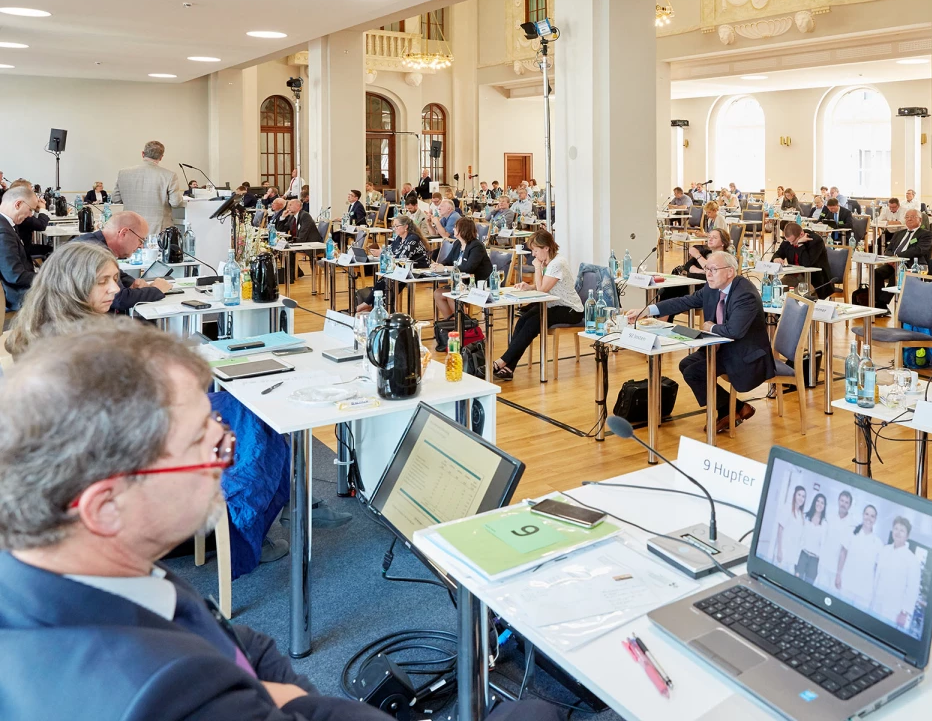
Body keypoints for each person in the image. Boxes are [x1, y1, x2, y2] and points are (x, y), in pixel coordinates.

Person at [0, 323, 558, 721]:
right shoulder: (156, 692)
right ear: (104, 506)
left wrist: (279, 698)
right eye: (203, 441)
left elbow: (237, 643)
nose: (229, 446)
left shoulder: (68, 570)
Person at [626, 251, 776, 432]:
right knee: (686, 364)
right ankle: (733, 408)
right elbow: (684, 301)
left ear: (730, 272)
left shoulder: (745, 294)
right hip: (723, 347)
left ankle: (729, 410)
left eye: (713, 269)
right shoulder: (712, 288)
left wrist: (710, 327)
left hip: (744, 354)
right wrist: (647, 310)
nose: (709, 274)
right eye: (707, 269)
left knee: (694, 372)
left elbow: (735, 331)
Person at [491, 230, 583, 382]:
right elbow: (545, 286)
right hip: (554, 305)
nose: (533, 254)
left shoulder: (557, 263)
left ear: (546, 247)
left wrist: (537, 268)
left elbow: (542, 290)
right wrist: (529, 287)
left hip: (571, 310)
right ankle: (509, 368)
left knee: (533, 323)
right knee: (523, 320)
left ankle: (502, 362)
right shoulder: (551, 261)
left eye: (535, 250)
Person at [3, 241, 119, 357]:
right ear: (70, 286)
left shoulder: (36, 323)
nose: (116, 288)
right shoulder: (83, 346)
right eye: (102, 281)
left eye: (115, 279)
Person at [75, 211, 169, 314]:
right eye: (141, 240)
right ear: (124, 233)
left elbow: (118, 274)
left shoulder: (93, 242)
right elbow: (119, 299)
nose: (141, 246)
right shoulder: (94, 251)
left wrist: (134, 283)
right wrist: (157, 289)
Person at [656, 228, 730, 320]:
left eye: (714, 237)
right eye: (709, 237)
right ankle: (664, 323)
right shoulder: (705, 252)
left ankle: (663, 324)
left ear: (723, 242)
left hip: (706, 288)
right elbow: (687, 266)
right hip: (691, 283)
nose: (710, 239)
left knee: (671, 292)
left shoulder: (725, 257)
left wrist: (698, 256)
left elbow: (712, 273)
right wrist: (703, 271)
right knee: (666, 290)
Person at [112, 140, 183, 233]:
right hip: (158, 229)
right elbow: (176, 203)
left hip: (130, 228)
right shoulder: (169, 175)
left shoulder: (123, 173)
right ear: (161, 157)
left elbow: (115, 199)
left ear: (142, 154)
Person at [871, 209, 932, 310]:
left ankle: (881, 304)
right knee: (876, 273)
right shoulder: (899, 233)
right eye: (907, 217)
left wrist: (898, 258)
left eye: (912, 217)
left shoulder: (925, 234)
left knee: (896, 276)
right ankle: (878, 302)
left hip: (912, 265)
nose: (909, 219)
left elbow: (918, 250)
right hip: (893, 263)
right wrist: (892, 259)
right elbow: (889, 249)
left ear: (920, 220)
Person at [432, 217, 493, 318]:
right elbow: (448, 260)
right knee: (438, 293)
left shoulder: (476, 246)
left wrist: (445, 269)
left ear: (462, 230)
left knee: (453, 296)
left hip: (477, 283)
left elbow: (468, 268)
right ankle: (452, 324)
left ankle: (465, 325)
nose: (453, 230)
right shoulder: (457, 243)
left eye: (455, 228)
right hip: (462, 284)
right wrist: (439, 265)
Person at [870, 517, 921, 628]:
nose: (898, 533)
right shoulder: (885, 549)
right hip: (876, 601)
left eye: (902, 530)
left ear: (907, 536)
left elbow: (912, 588)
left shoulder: (911, 559)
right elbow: (876, 573)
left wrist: (904, 612)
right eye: (896, 528)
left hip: (894, 609)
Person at [0, 186, 40, 313]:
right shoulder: (3, 231)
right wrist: (47, 277)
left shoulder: (7, 224)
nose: (29, 215)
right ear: (18, 204)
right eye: (30, 210)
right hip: (14, 295)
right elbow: (15, 276)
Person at [774, 222, 835, 299]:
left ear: (801, 234)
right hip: (794, 275)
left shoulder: (815, 241)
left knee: (793, 297)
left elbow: (807, 264)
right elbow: (778, 254)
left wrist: (800, 245)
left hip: (814, 280)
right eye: (789, 241)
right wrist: (776, 258)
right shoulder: (789, 240)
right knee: (775, 291)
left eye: (793, 241)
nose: (791, 244)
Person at [838, 504, 880, 610]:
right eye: (867, 514)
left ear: (875, 520)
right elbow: (843, 553)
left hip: (864, 592)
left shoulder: (878, 543)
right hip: (847, 584)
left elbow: (876, 570)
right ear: (862, 515)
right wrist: (838, 575)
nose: (869, 518)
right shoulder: (851, 532)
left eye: (872, 516)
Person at [817, 491, 853, 596]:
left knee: (831, 598)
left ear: (850, 506)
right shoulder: (830, 517)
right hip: (824, 564)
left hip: (837, 571)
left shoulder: (852, 524)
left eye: (846, 502)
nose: (843, 504)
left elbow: (845, 550)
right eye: (842, 500)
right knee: (819, 595)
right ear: (838, 501)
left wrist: (839, 573)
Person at [795, 494, 828, 584]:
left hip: (814, 560)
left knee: (808, 585)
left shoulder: (825, 524)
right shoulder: (806, 517)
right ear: (814, 502)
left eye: (822, 503)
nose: (819, 504)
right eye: (818, 501)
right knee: (796, 582)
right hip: (803, 555)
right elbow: (800, 536)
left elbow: (823, 544)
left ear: (824, 506)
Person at [772, 485, 806, 574]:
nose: (801, 498)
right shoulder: (787, 508)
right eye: (799, 495)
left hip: (792, 557)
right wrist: (779, 550)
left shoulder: (801, 515)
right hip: (783, 553)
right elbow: (780, 529)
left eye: (803, 496)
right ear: (794, 495)